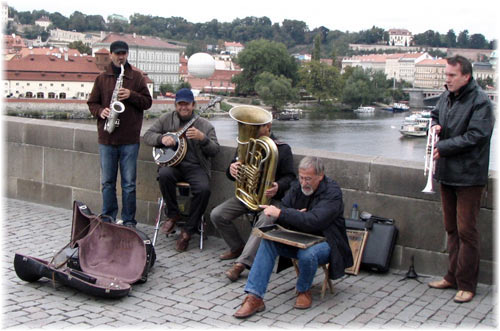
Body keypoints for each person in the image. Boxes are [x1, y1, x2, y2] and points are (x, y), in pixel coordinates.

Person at [233, 156, 353, 318]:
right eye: (302, 177)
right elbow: (287, 209)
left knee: (308, 253)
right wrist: (293, 215)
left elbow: (314, 222)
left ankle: (303, 290)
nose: (304, 183)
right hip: (297, 237)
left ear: (320, 176)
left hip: (327, 242)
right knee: (268, 241)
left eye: (308, 179)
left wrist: (287, 214)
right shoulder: (297, 185)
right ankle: (254, 297)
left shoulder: (332, 192)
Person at [428, 55, 494, 303]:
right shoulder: (447, 96)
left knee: (467, 231)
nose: (447, 80)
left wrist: (443, 147)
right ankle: (452, 276)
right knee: (451, 229)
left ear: (466, 76)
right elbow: (435, 115)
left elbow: (476, 136)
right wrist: (434, 126)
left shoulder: (481, 102)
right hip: (447, 173)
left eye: (452, 76)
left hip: (469, 176)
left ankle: (467, 284)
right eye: (446, 75)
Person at [210, 121, 295, 281]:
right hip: (247, 195)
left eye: (257, 127)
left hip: (271, 200)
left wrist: (278, 186)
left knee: (265, 220)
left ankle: (241, 263)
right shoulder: (246, 145)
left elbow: (291, 178)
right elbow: (229, 172)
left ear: (268, 126)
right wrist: (231, 169)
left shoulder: (282, 149)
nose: (252, 131)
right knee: (217, 214)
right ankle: (237, 247)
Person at [143, 88, 219, 252]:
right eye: (180, 104)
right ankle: (173, 214)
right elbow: (147, 136)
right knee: (164, 174)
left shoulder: (204, 125)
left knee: (204, 189)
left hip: (195, 167)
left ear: (193, 105)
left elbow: (214, 150)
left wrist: (203, 139)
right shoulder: (166, 119)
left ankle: (188, 231)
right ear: (175, 105)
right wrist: (161, 138)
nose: (183, 107)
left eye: (187, 104)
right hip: (174, 165)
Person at [88, 40, 152, 227]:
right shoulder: (101, 78)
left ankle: (129, 221)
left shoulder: (137, 78)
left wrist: (131, 95)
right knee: (107, 182)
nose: (120, 56)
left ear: (127, 54)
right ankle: (108, 218)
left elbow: (147, 103)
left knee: (129, 184)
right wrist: (101, 111)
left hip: (129, 139)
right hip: (107, 138)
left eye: (123, 53)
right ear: (111, 55)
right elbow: (92, 103)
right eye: (117, 53)